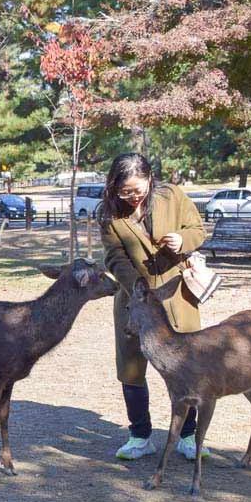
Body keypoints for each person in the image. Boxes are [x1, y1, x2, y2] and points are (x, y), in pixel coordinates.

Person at [99, 152, 209, 461]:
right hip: (134, 301)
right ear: (113, 187)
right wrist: (137, 286)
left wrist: (182, 239)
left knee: (187, 366)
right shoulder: (108, 215)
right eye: (124, 191)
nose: (132, 197)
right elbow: (114, 257)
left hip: (177, 297)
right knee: (131, 367)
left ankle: (188, 436)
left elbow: (198, 229)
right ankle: (140, 436)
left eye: (138, 189)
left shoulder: (172, 195)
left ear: (150, 178)